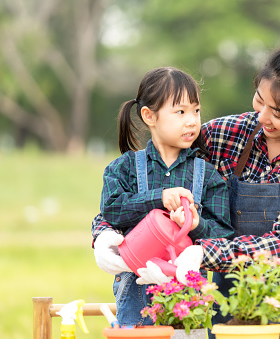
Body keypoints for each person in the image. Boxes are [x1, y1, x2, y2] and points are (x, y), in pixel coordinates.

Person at [93, 43, 280, 339]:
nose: (262, 117)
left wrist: (201, 253)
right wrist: (103, 232)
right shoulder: (225, 133)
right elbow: (155, 180)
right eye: (260, 100)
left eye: (279, 113)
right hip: (225, 311)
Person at [93, 67, 233, 327]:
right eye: (180, 112)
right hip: (136, 294)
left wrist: (195, 226)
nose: (191, 120)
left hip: (188, 305)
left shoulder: (208, 175)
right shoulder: (123, 168)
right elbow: (111, 209)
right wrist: (159, 198)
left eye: (196, 111)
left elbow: (224, 232)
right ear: (149, 116)